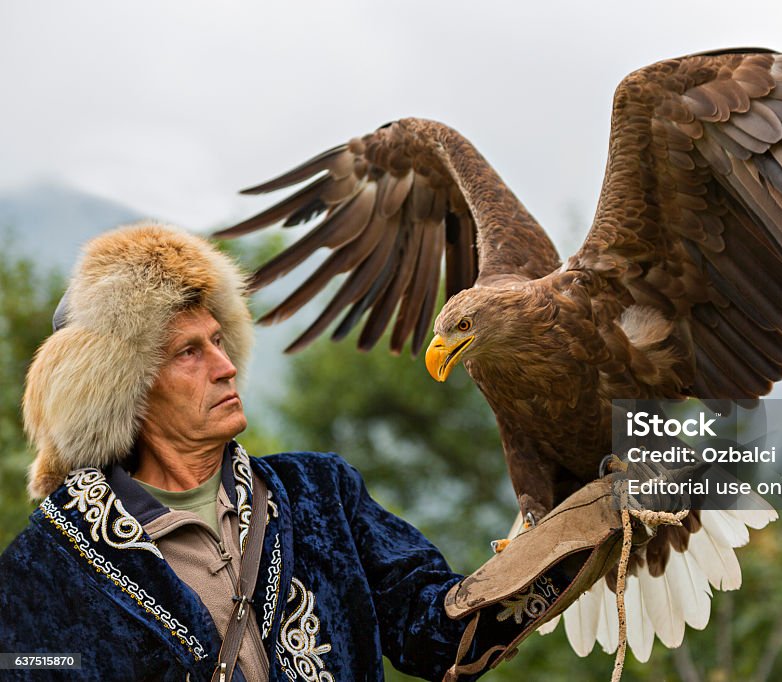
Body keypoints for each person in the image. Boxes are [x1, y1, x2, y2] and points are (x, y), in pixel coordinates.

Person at [0, 222, 632, 682]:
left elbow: (443, 632)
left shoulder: (317, 494)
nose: (226, 367)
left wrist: (580, 532)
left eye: (221, 340)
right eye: (189, 352)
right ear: (123, 388)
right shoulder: (49, 563)